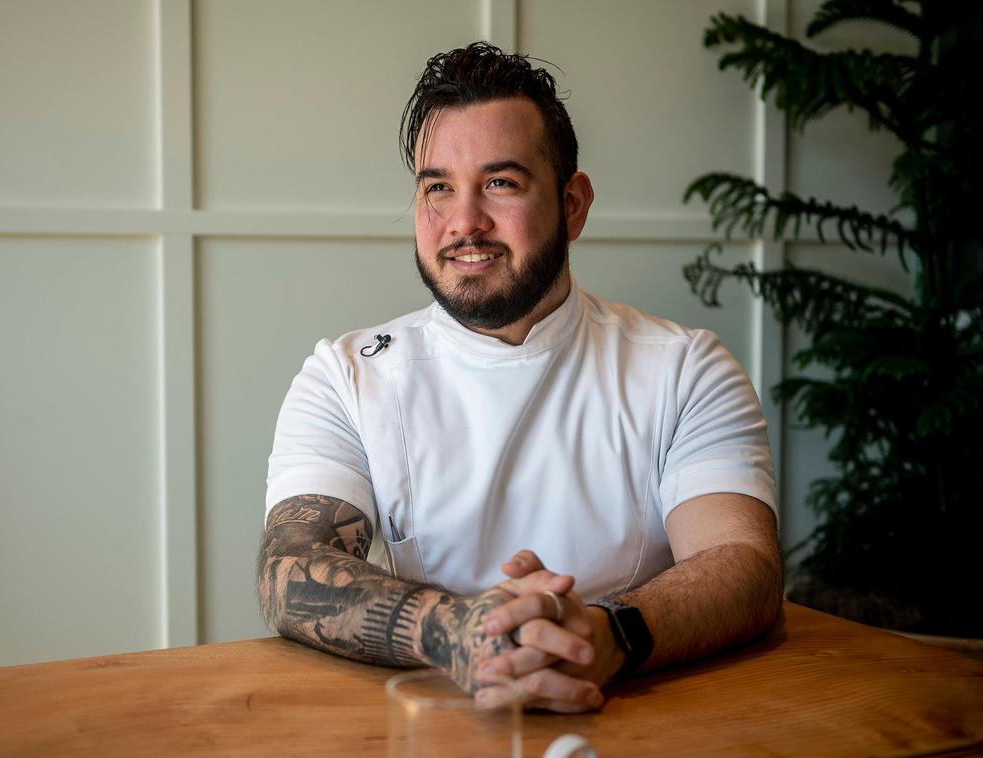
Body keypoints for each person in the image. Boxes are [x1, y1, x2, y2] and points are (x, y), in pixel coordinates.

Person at [256, 42, 782, 713]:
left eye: (501, 183)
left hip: (642, 715)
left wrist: (606, 633)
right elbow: (289, 570)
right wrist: (456, 632)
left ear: (573, 205)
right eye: (437, 187)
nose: (464, 223)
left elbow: (744, 565)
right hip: (435, 722)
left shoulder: (686, 368)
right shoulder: (346, 376)